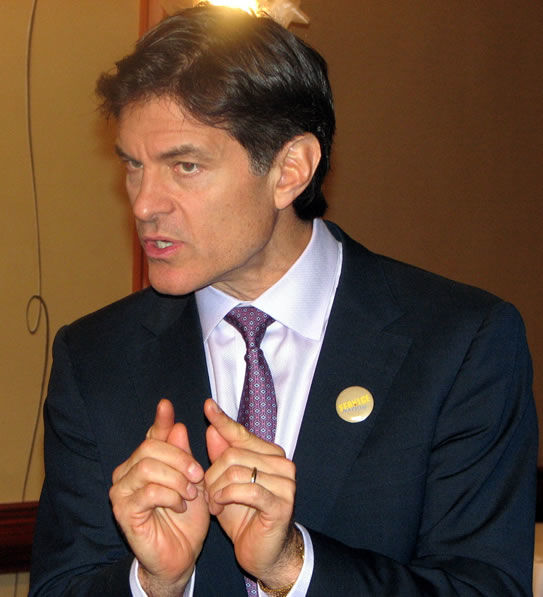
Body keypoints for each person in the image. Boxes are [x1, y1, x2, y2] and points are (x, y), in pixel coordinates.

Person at [29, 4, 537, 596]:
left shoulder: (460, 345)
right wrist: (155, 582)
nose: (144, 204)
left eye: (185, 166)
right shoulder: (94, 357)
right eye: (134, 166)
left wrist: (294, 566)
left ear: (290, 170)